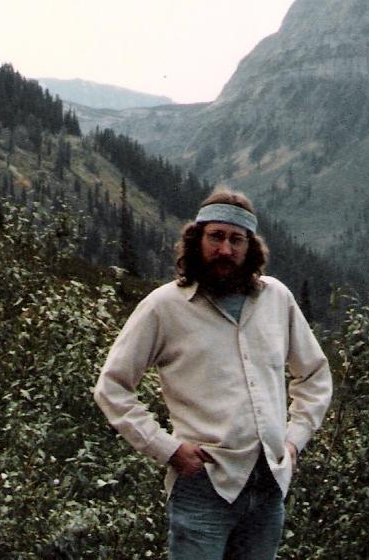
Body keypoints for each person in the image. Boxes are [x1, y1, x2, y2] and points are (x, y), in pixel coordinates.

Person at [94, 190, 332, 559]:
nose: (225, 249)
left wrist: (294, 440)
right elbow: (112, 387)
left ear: (250, 247)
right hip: (202, 485)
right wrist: (167, 449)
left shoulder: (277, 299)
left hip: (269, 485)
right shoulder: (164, 307)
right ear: (196, 240)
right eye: (216, 236)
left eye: (237, 239)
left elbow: (314, 374)